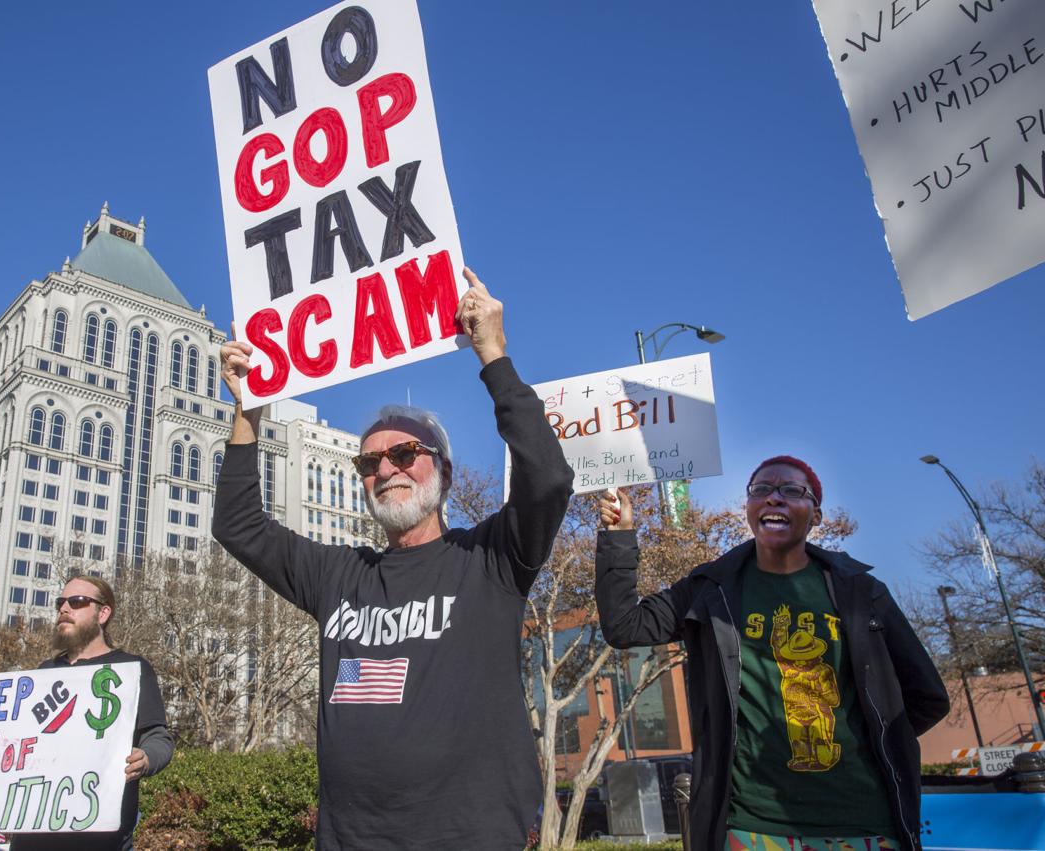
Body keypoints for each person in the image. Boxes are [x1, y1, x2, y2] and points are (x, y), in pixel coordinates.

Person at [212, 268, 573, 850]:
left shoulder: (491, 560)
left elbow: (549, 478)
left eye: (404, 453)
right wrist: (249, 409)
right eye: (369, 463)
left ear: (444, 472)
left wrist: (493, 356)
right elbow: (238, 526)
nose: (385, 470)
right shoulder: (337, 575)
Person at [595, 457, 949, 851]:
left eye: (792, 491)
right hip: (751, 828)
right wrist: (618, 537)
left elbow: (927, 697)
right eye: (761, 490)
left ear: (816, 514)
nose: (773, 498)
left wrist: (873, 737)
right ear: (748, 508)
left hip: (864, 824)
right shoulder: (710, 589)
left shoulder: (862, 593)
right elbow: (625, 626)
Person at [9, 574, 174, 851]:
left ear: (103, 612)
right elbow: (12, 744)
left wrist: (145, 759)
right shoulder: (43, 672)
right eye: (61, 602)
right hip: (31, 839)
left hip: (101, 840)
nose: (64, 608)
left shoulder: (132, 669)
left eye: (77, 601)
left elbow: (159, 738)